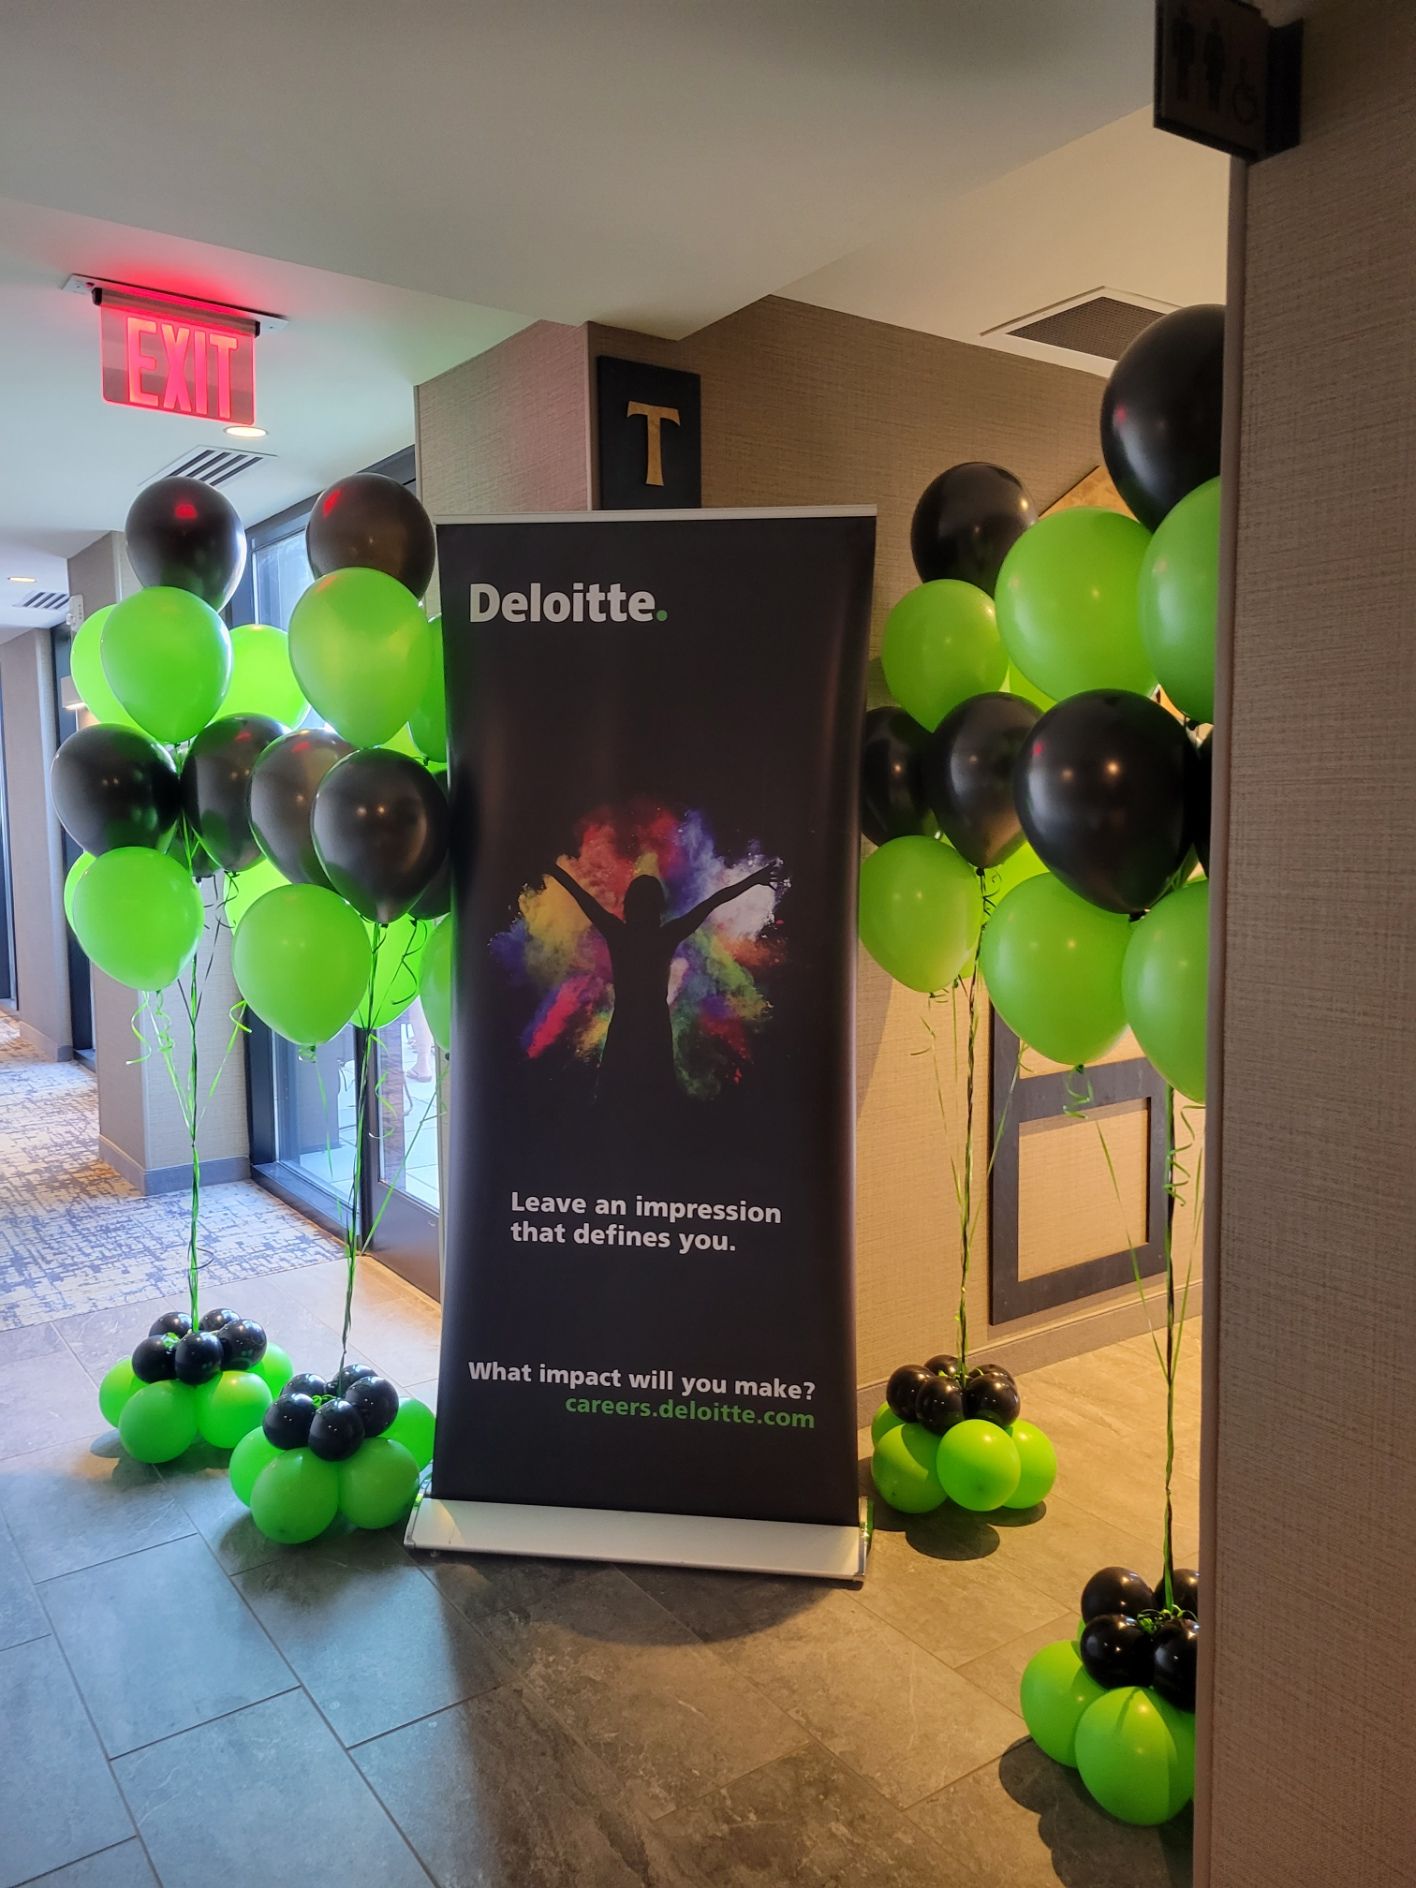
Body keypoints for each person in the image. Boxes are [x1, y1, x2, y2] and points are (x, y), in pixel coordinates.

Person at [547, 859, 780, 1103]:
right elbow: (713, 902)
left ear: (629, 905)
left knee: (615, 1092)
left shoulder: (619, 933)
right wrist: (753, 880)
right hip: (653, 1024)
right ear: (658, 907)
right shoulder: (665, 936)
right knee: (654, 1094)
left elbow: (581, 895)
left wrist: (552, 868)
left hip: (626, 1023)